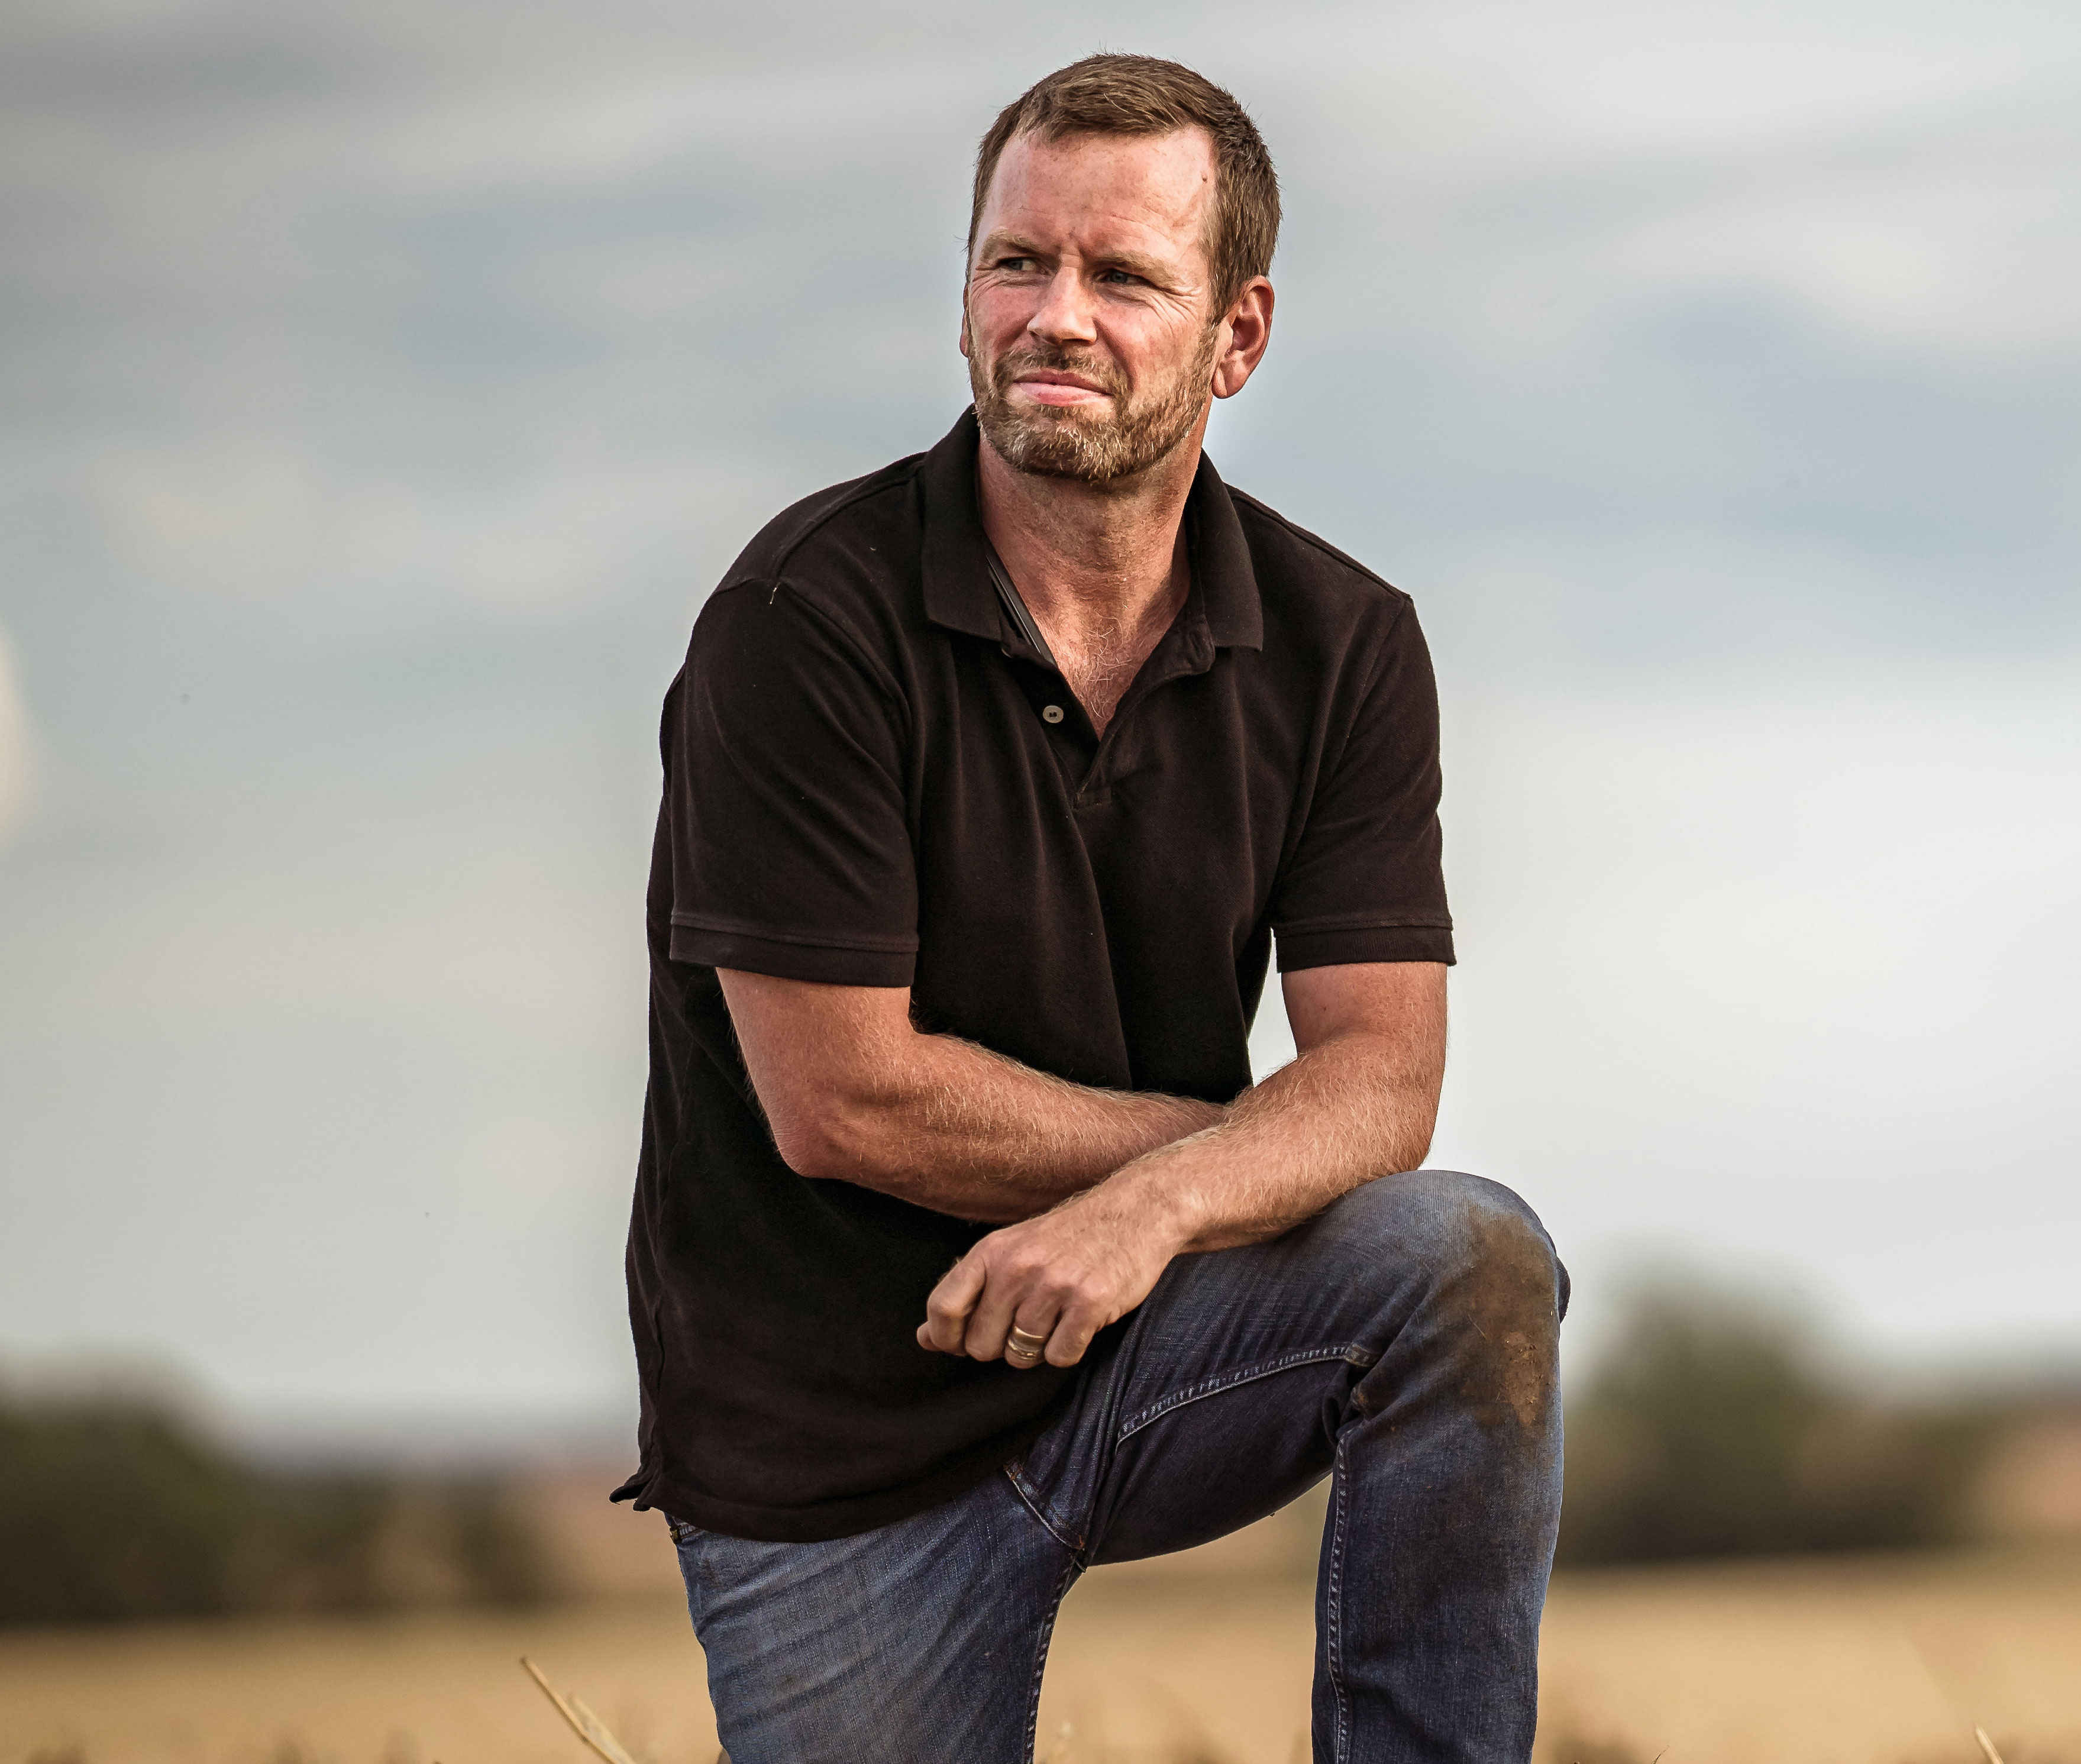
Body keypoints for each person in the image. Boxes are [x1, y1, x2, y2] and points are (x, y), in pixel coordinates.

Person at [615, 53, 1562, 1764]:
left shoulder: (1345, 642)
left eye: (1122, 275)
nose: (1054, 314)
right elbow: (843, 1101)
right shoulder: (798, 624)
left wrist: (1156, 1218)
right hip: (835, 1449)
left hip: (1144, 1353)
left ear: (1237, 338)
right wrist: (1201, 1164)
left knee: (1464, 1262)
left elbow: (1384, 1084)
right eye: (1015, 263)